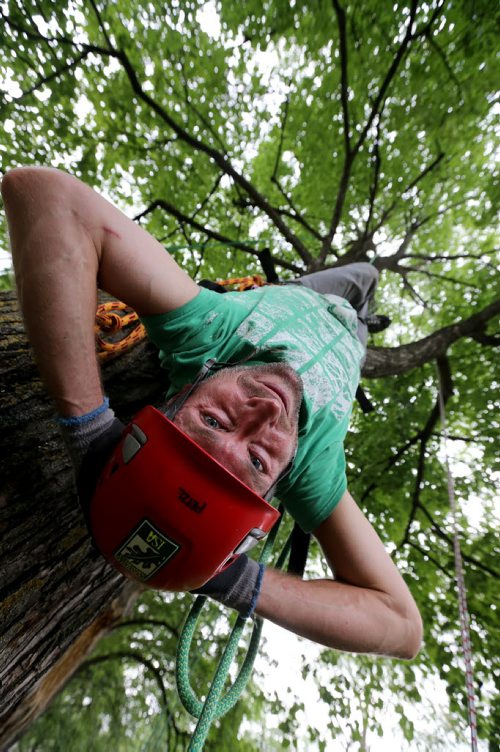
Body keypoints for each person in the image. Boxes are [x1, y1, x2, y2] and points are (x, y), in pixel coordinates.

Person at [1, 166, 423, 659]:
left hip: (311, 291)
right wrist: (229, 575)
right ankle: (366, 314)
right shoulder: (312, 466)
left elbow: (43, 194)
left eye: (213, 421)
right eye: (260, 460)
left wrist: (87, 428)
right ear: (276, 487)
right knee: (366, 295)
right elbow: (402, 628)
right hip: (353, 341)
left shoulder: (207, 332)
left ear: (176, 400)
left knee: (363, 272)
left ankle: (363, 282)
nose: (265, 413)